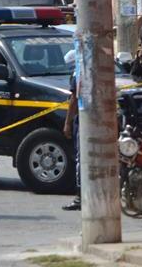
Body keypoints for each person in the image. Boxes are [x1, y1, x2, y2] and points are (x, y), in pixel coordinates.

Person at [61, 50, 81, 211]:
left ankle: (80, 197)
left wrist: (67, 123)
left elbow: (74, 99)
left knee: (80, 159)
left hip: (83, 121)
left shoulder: (78, 73)